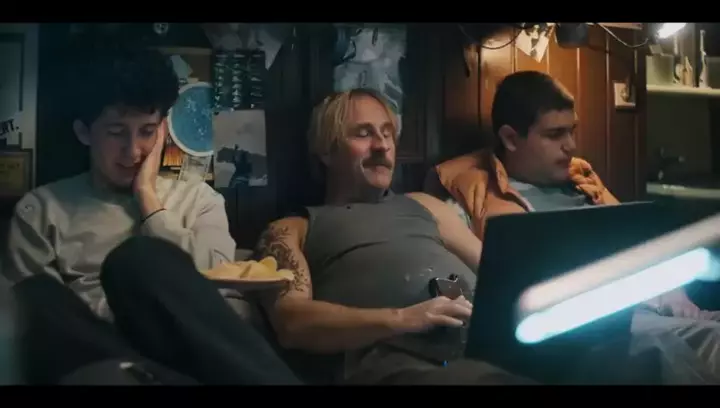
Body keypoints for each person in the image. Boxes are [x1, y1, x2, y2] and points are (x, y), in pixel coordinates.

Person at [3, 42, 300, 385]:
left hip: (197, 358)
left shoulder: (199, 199)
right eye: (116, 133)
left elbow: (217, 281)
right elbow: (45, 326)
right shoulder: (41, 209)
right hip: (114, 362)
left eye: (146, 132)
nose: (133, 151)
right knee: (35, 296)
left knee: (138, 260)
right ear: (84, 132)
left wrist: (148, 201)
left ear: (162, 130)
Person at [424, 70, 720, 383]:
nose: (571, 145)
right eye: (555, 134)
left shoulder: (585, 182)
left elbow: (637, 248)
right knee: (663, 347)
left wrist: (671, 290)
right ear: (510, 138)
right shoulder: (472, 194)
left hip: (637, 306)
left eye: (572, 131)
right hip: (570, 323)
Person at [253, 87, 538, 385]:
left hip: (490, 349)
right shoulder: (292, 230)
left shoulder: (426, 205)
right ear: (326, 150)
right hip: (400, 364)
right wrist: (404, 319)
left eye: (387, 133)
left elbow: (499, 277)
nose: (382, 146)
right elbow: (292, 322)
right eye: (363, 134)